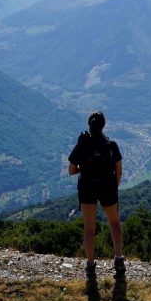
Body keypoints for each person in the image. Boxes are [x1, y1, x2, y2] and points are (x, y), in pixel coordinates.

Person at [64, 111, 125, 278]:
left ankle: (90, 265)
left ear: (89, 125)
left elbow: (71, 170)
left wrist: (83, 168)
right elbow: (118, 171)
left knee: (89, 228)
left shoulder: (82, 144)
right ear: (103, 125)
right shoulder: (111, 145)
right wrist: (114, 187)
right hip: (107, 187)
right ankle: (119, 259)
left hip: (87, 187)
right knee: (114, 223)